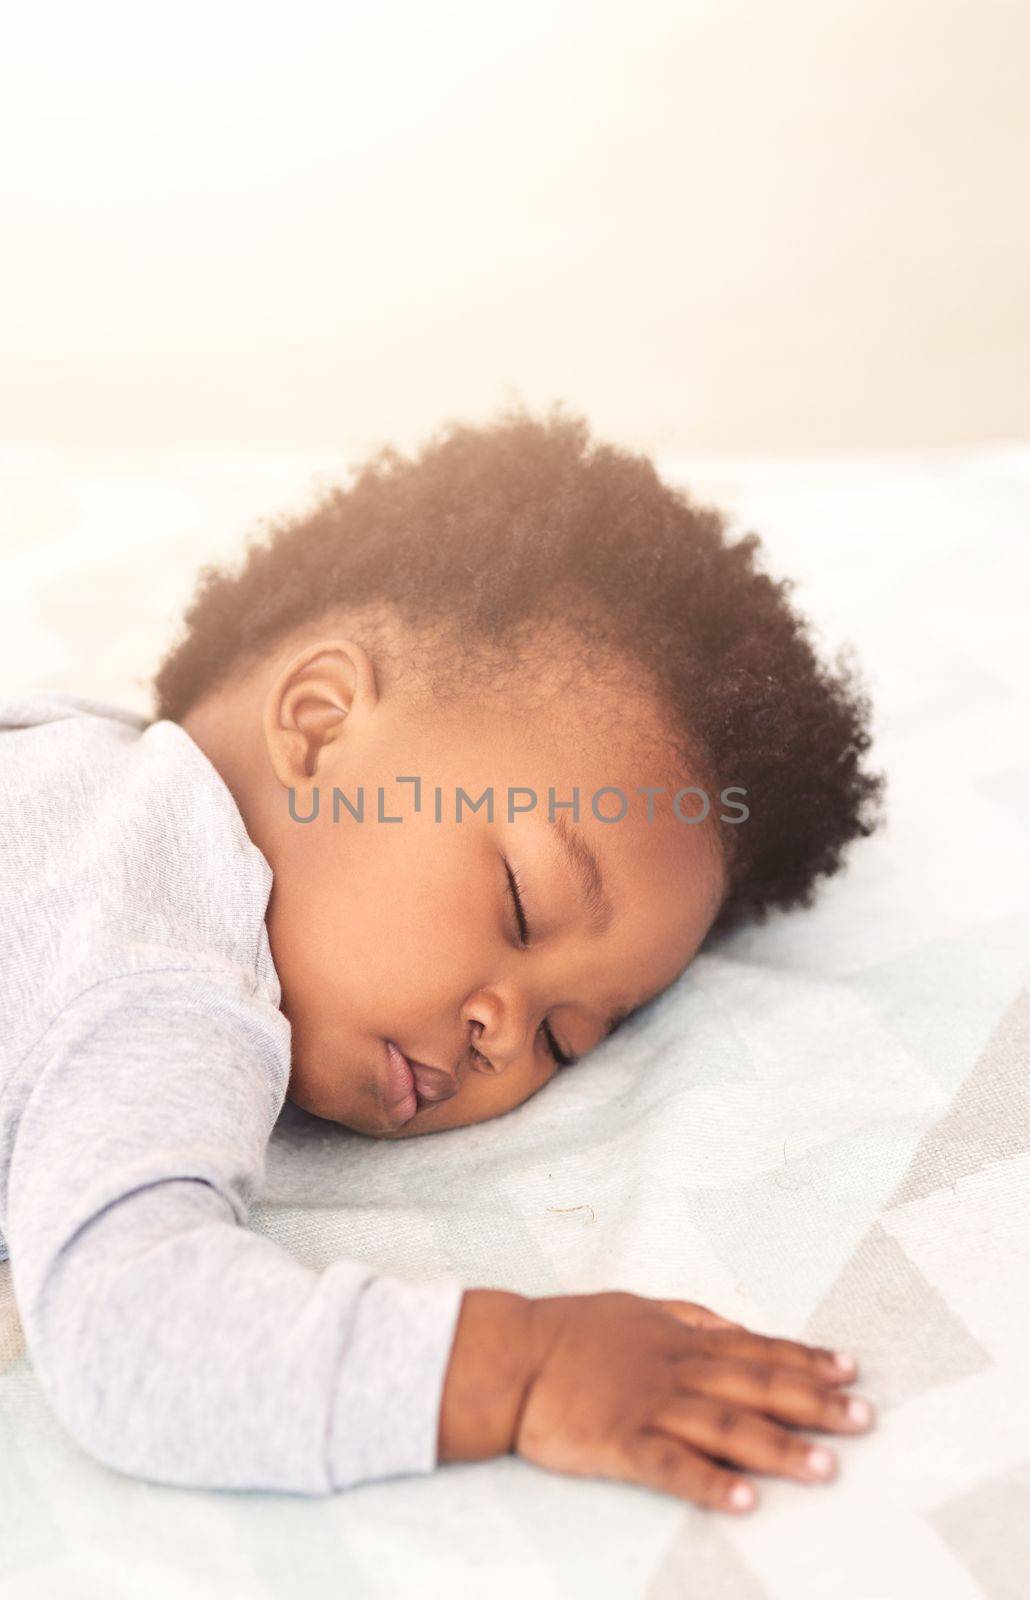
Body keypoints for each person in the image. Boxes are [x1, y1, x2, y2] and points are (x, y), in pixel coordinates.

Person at [0, 404, 884, 1513]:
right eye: (522, 900)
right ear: (319, 726)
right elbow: (130, 1333)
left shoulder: (62, 753)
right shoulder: (169, 966)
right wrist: (522, 1366)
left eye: (569, 1038)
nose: (505, 1036)